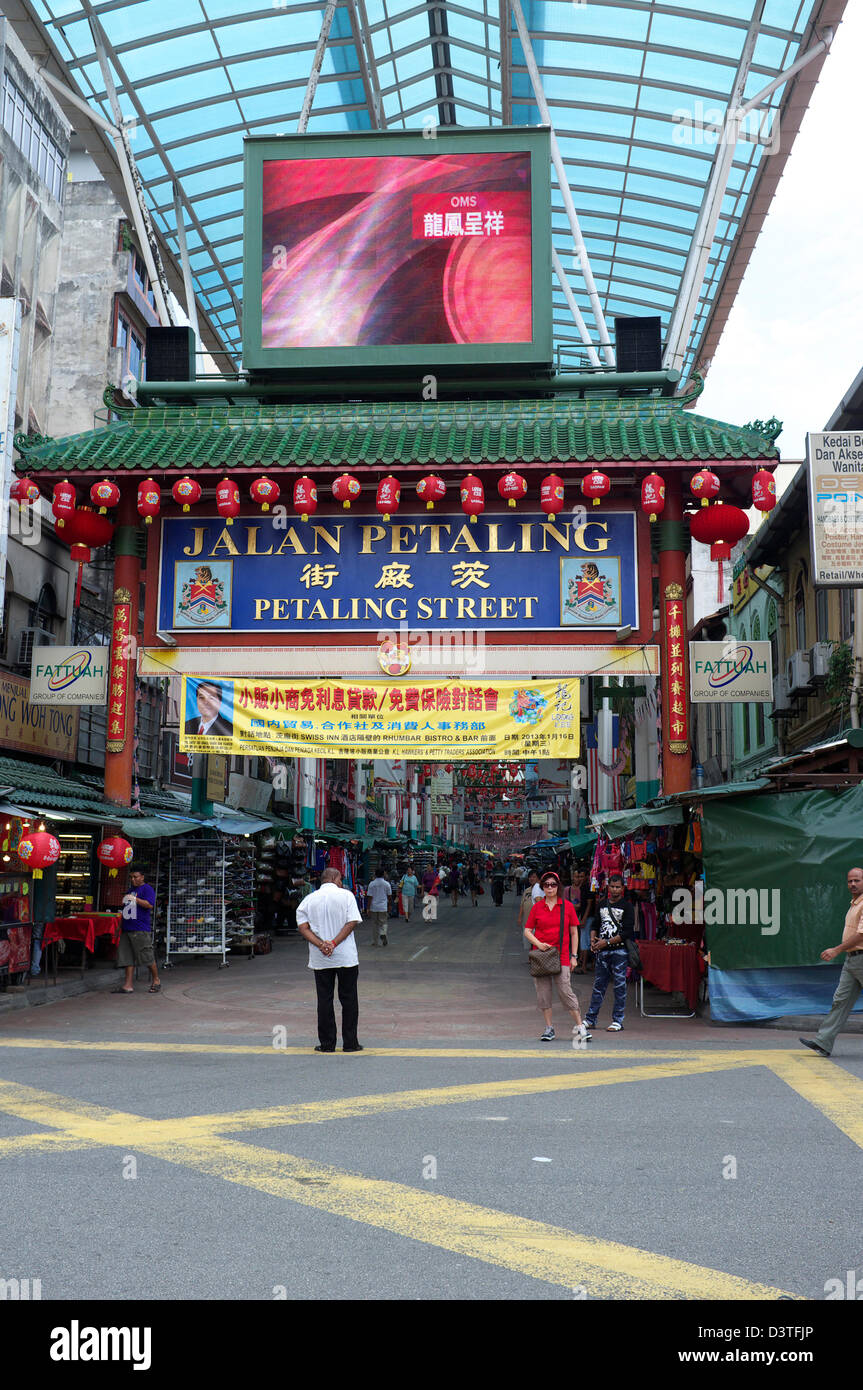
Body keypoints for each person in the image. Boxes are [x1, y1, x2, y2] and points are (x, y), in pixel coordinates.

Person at [296, 867, 363, 1052]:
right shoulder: (347, 896)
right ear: (334, 878)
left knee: (324, 999)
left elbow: (303, 927)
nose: (341, 882)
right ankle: (350, 1043)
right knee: (349, 999)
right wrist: (333, 943)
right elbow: (352, 922)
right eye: (340, 879)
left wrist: (321, 945)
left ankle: (327, 1043)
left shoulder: (308, 900)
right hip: (345, 956)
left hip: (321, 958)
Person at [800, 866, 863, 1058]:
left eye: (857, 880)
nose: (852, 884)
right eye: (850, 881)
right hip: (852, 960)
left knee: (840, 1001)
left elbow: (861, 934)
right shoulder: (854, 903)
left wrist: (836, 949)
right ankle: (823, 1042)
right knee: (840, 1001)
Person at [523, 870, 591, 1042]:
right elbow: (527, 930)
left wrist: (574, 956)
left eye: (553, 884)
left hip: (562, 956)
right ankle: (549, 1028)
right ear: (542, 887)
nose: (550, 888)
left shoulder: (566, 906)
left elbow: (574, 933)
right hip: (540, 957)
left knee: (565, 991)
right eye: (546, 885)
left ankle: (580, 1026)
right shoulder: (538, 907)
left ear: (558, 886)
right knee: (543, 994)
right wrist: (538, 944)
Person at [584, 873, 635, 1032]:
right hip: (602, 952)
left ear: (622, 888)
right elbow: (595, 925)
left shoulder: (627, 907)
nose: (615, 890)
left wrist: (605, 943)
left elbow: (627, 932)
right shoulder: (601, 904)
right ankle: (590, 1019)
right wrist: (593, 941)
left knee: (619, 986)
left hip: (619, 952)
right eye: (612, 887)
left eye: (618, 887)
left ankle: (618, 1020)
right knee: (599, 985)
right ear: (608, 887)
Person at [112, 867, 160, 995]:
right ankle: (128, 985)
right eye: (131, 877)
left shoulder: (147, 889)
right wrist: (119, 926)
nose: (133, 879)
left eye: (136, 877)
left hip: (140, 928)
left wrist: (135, 899)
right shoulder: (131, 890)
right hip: (127, 927)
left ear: (142, 877)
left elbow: (149, 904)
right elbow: (125, 909)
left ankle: (156, 980)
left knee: (146, 956)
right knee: (127, 958)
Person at [365, 867, 392, 947]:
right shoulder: (387, 884)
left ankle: (375, 941)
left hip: (374, 906)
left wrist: (368, 908)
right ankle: (383, 933)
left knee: (374, 924)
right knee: (383, 922)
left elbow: (369, 897)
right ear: (383, 874)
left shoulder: (372, 884)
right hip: (383, 906)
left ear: (375, 874)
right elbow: (389, 896)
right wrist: (390, 905)